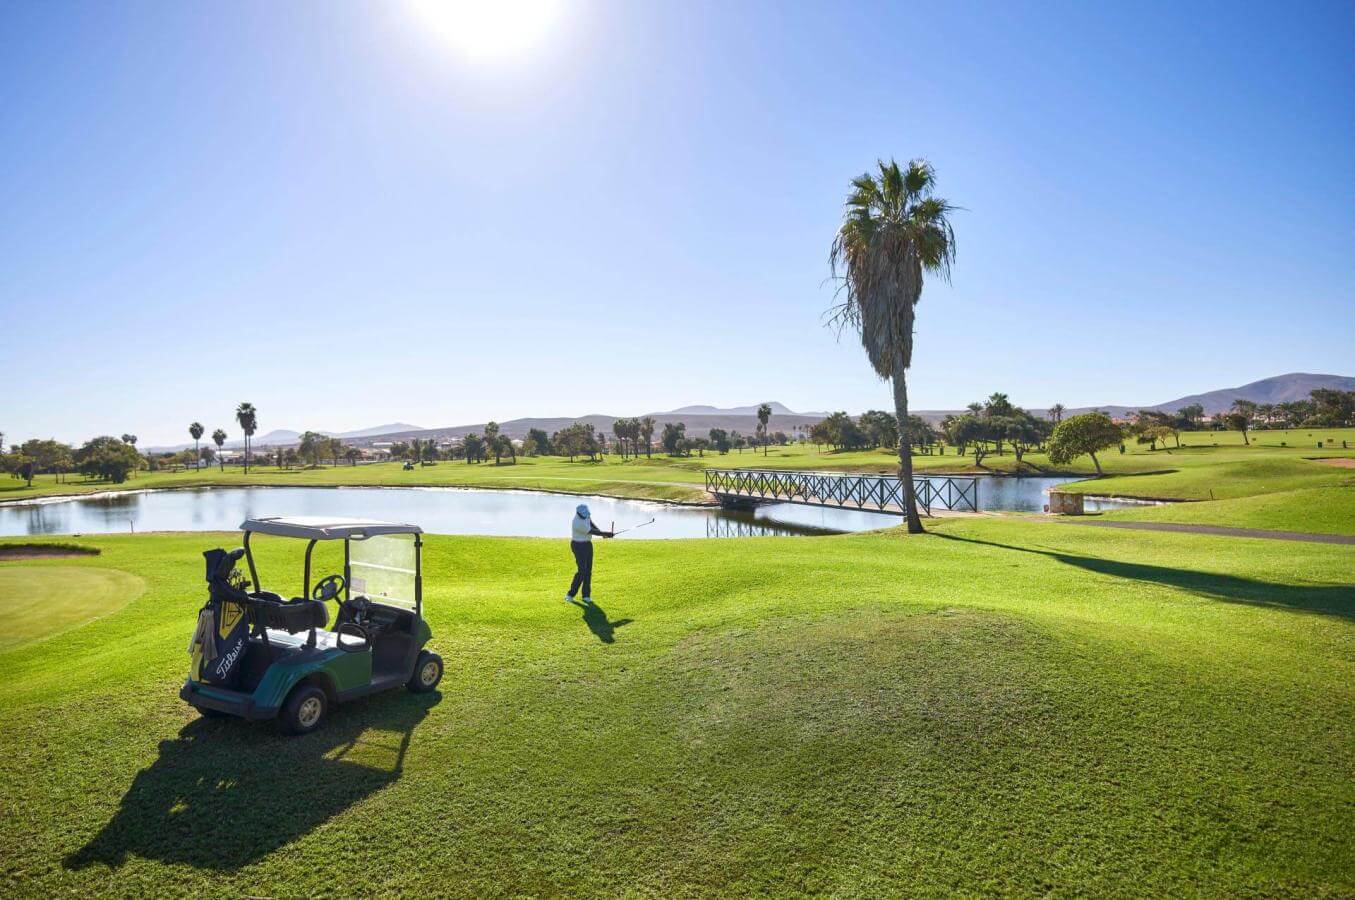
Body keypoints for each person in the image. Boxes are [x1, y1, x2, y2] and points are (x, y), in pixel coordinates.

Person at [565, 503, 613, 605]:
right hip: (578, 546)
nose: (586, 516)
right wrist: (606, 534)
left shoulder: (586, 515)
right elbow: (591, 531)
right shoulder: (577, 523)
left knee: (588, 571)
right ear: (578, 513)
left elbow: (591, 524)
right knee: (582, 570)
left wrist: (602, 533)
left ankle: (586, 595)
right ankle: (570, 594)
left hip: (587, 545)